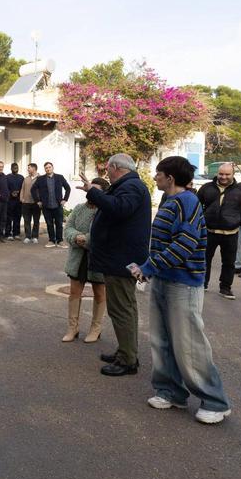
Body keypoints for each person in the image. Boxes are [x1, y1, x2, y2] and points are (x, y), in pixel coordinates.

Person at [131, 156, 232, 424]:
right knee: (161, 341)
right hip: (163, 280)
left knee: (189, 346)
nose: (154, 178)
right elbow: (164, 243)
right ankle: (170, 392)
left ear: (170, 178)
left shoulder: (187, 201)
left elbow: (184, 245)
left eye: (158, 174)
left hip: (183, 283)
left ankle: (215, 401)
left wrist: (148, 268)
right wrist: (146, 266)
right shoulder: (170, 201)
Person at [80, 153, 151, 376]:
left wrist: (93, 191)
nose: (106, 172)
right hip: (120, 258)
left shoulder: (131, 186)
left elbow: (119, 208)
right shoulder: (128, 185)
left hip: (121, 259)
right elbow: (115, 204)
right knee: (124, 308)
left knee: (121, 309)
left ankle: (128, 360)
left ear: (116, 167)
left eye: (107, 168)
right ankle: (125, 352)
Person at [61, 177, 109, 343]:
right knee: (74, 292)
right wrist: (76, 237)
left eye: (95, 190)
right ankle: (72, 328)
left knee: (99, 292)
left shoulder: (105, 211)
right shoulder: (79, 208)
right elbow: (68, 228)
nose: (90, 192)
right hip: (78, 258)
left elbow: (104, 234)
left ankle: (96, 328)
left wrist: (86, 240)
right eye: (90, 189)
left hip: (98, 259)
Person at [196, 162, 241, 299]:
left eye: (227, 174)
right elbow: (196, 205)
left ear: (233, 174)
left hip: (230, 234)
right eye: (221, 174)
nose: (223, 177)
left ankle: (225, 288)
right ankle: (202, 284)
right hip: (209, 232)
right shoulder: (206, 188)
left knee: (229, 262)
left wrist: (238, 220)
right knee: (204, 260)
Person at [33, 161, 71, 248]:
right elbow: (33, 189)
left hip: (58, 205)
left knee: (59, 224)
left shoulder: (59, 177)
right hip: (46, 206)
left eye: (49, 167)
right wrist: (38, 201)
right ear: (45, 169)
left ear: (52, 168)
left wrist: (65, 199)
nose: (48, 169)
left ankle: (60, 241)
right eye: (46, 168)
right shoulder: (40, 179)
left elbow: (68, 188)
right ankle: (51, 240)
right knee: (49, 224)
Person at [20, 162, 41, 243]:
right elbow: (22, 189)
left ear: (34, 168)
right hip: (26, 203)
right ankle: (28, 236)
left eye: (29, 168)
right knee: (27, 220)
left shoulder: (41, 178)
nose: (27, 169)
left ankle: (35, 236)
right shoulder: (26, 179)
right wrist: (21, 198)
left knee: (36, 220)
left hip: (36, 203)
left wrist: (41, 201)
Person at [5, 163, 24, 240]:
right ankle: (8, 233)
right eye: (14, 168)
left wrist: (19, 193)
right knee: (9, 218)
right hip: (10, 201)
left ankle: (16, 233)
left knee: (17, 217)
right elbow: (5, 188)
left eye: (17, 167)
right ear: (11, 168)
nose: (15, 169)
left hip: (19, 201)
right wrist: (11, 193)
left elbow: (23, 188)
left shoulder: (21, 177)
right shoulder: (7, 177)